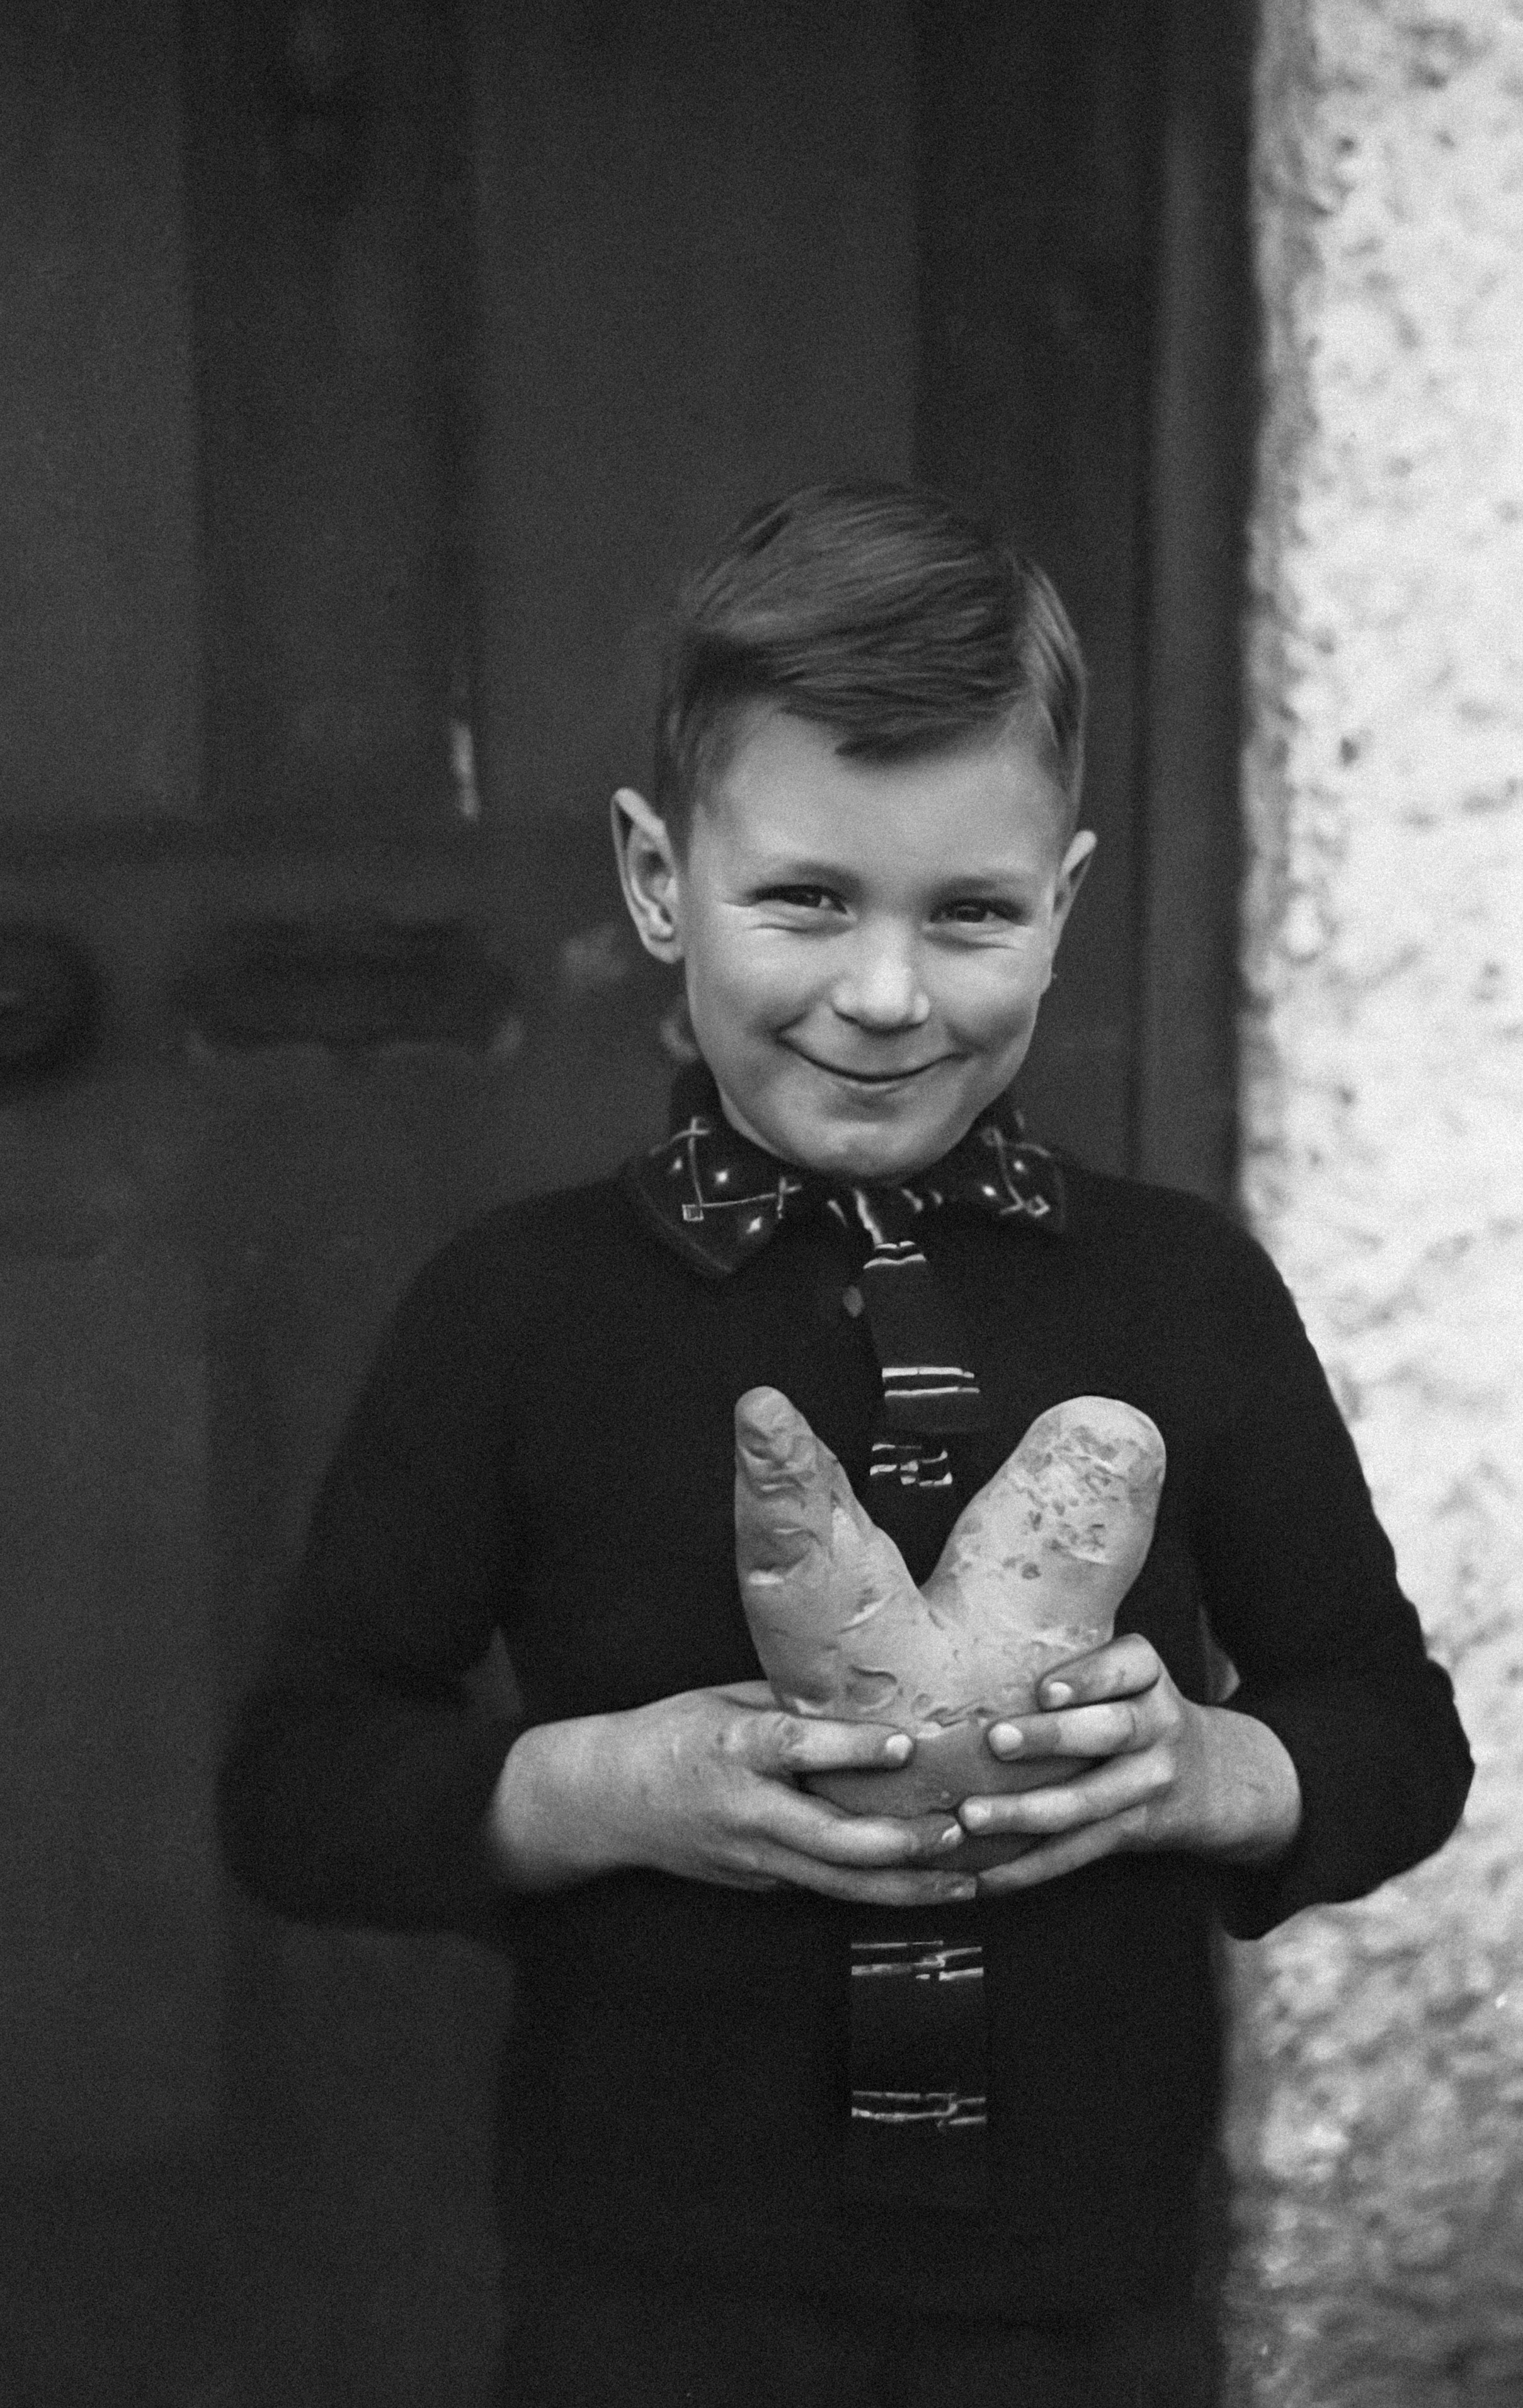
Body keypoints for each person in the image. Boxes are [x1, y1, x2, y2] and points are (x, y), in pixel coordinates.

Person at [220, 483, 1473, 2407]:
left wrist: (1210, 1770)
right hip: (651, 2293)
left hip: (1091, 2300)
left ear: (1057, 908)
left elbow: (1393, 1736)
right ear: (656, 879)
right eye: (804, 897)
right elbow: (299, 1786)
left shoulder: (1184, 1292)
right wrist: (597, 1790)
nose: (884, 995)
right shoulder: (517, 1312)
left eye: (966, 914)